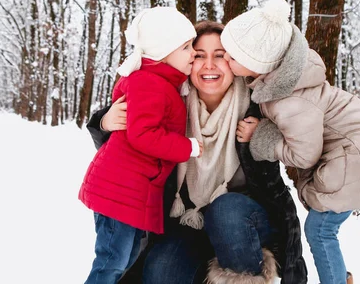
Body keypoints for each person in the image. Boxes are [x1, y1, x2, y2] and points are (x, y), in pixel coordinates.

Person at [91, 20, 308, 284]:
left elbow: (301, 138)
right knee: (161, 274)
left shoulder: (258, 107)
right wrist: (104, 121)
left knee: (225, 211)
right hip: (185, 220)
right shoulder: (168, 101)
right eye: (199, 55)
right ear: (187, 60)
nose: (209, 65)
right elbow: (130, 143)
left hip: (243, 225)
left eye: (219, 56)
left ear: (233, 62)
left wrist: (266, 133)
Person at [220, 0, 360, 284]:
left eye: (232, 56)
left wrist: (261, 136)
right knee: (323, 229)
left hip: (359, 158)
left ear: (258, 64)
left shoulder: (290, 100)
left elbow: (303, 155)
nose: (225, 59)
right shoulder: (282, 81)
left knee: (320, 231)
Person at [79, 6, 203, 284]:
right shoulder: (150, 83)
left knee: (127, 256)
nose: (193, 53)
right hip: (119, 192)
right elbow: (143, 135)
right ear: (163, 53)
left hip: (132, 192)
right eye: (186, 47)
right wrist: (187, 147)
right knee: (112, 261)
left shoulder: (164, 84)